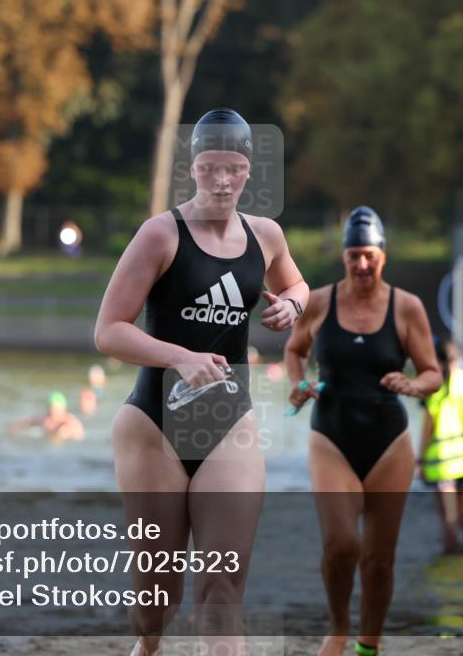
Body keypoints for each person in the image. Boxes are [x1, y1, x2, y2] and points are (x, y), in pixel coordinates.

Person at [94, 108, 308, 655]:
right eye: (209, 168)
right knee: (156, 603)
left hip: (228, 422)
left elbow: (299, 285)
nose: (221, 180)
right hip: (154, 425)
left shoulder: (266, 236)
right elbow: (108, 331)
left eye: (232, 168)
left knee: (220, 589)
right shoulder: (161, 234)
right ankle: (146, 647)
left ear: (247, 170)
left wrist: (290, 306)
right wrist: (178, 357)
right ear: (193, 168)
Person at [283, 206, 441, 656]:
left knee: (378, 561)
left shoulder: (406, 307)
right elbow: (294, 350)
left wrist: (413, 384)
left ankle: (368, 646)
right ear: (344, 256)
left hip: (389, 440)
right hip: (330, 435)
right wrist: (297, 384)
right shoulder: (318, 301)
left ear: (383, 256)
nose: (362, 264)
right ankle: (337, 629)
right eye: (354, 255)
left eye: (369, 255)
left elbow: (433, 372)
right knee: (341, 544)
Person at [420, 338, 463, 553]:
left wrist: (419, 461)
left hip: (442, 463)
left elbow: (427, 429)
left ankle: (449, 560)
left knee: (448, 519)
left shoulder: (437, 387)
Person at [6, 391, 85, 444]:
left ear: (63, 408)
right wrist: (14, 427)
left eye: (56, 408)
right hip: (45, 439)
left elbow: (79, 434)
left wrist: (67, 433)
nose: (53, 411)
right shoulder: (45, 419)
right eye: (51, 407)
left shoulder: (68, 420)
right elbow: (29, 420)